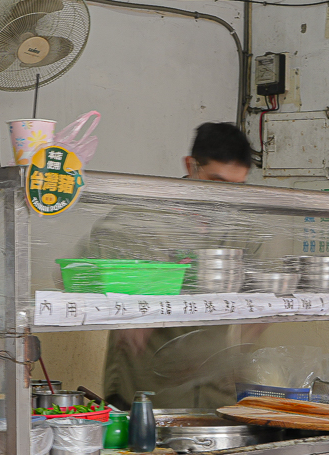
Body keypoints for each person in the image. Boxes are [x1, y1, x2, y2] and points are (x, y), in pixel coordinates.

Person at [86, 122, 264, 409]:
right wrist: (126, 309)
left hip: (213, 386)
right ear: (190, 165)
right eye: (217, 182)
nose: (225, 197)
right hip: (145, 386)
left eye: (237, 187)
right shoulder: (141, 214)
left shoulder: (243, 226)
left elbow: (261, 289)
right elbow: (81, 271)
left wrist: (249, 334)